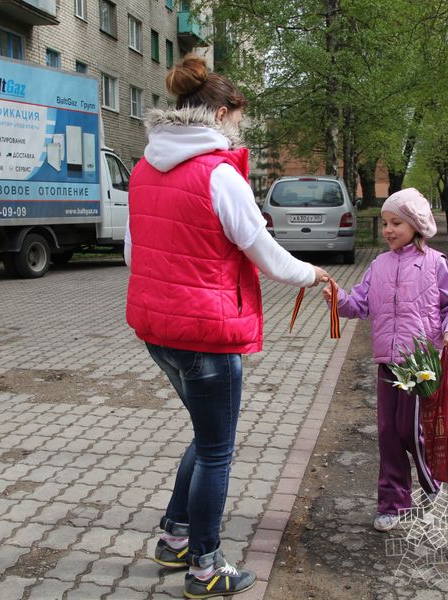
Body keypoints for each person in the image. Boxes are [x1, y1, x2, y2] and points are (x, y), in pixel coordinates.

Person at [124, 54, 329, 599]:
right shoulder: (219, 174)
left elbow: (131, 252)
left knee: (204, 435)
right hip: (207, 337)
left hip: (157, 332)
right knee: (217, 450)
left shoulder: (143, 169)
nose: (240, 127)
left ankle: (175, 540)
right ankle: (206, 568)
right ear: (219, 112)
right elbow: (266, 256)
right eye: (239, 117)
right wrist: (314, 274)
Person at [321, 188, 448, 532]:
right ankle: (392, 503)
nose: (388, 230)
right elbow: (359, 304)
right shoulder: (379, 264)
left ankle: (432, 482)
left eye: (396, 222)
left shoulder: (435, 263)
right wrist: (338, 298)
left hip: (420, 361)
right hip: (388, 361)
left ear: (416, 225)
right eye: (385, 223)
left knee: (411, 430)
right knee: (388, 432)